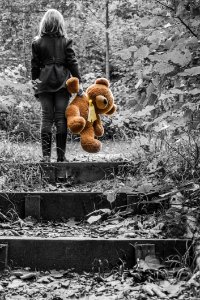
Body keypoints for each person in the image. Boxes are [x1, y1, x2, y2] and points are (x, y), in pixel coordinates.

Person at [31, 8, 83, 162]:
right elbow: (72, 63)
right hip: (62, 83)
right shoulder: (66, 41)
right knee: (61, 118)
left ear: (44, 24)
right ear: (60, 23)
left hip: (44, 83)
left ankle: (46, 157)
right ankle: (61, 157)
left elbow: (34, 67)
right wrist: (78, 81)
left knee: (46, 118)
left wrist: (35, 85)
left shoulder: (37, 42)